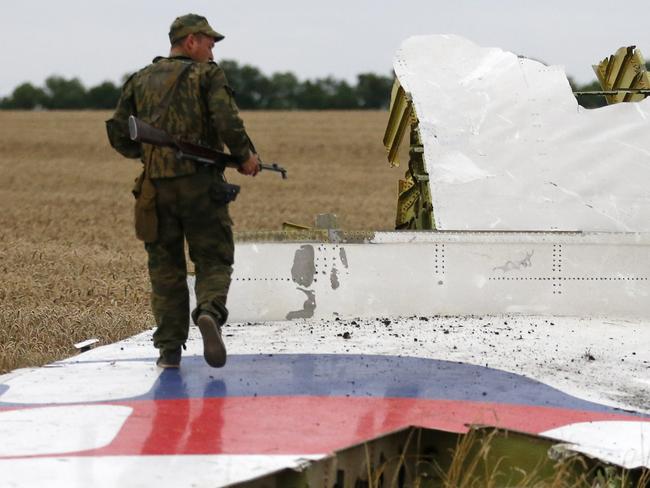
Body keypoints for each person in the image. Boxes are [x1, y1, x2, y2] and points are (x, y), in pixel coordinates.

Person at [106, 13, 260, 369]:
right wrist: (245, 156)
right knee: (214, 258)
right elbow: (227, 120)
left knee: (165, 270)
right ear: (191, 41)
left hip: (154, 191)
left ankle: (169, 352)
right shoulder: (208, 75)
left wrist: (147, 155)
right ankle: (207, 312)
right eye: (209, 42)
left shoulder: (139, 79)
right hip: (201, 186)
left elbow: (117, 131)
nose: (212, 49)